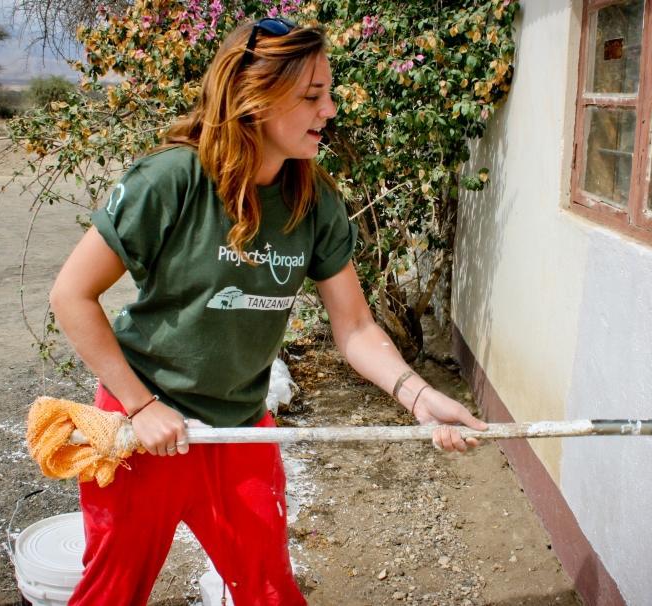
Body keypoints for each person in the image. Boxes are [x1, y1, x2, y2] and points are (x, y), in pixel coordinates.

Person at [49, 16, 488, 606]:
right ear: (253, 98)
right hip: (142, 426)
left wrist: (417, 396)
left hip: (239, 430)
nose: (329, 110)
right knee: (112, 590)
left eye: (328, 93)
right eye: (312, 96)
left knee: (269, 589)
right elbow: (70, 295)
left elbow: (355, 327)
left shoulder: (314, 201)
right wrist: (143, 405)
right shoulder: (172, 180)